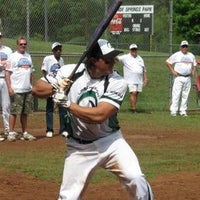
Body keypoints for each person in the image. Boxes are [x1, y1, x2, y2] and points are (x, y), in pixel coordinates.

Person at [32, 39, 153, 200]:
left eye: (113, 58)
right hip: (78, 147)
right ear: (94, 60)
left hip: (110, 143)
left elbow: (99, 115)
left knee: (135, 178)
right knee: (68, 197)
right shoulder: (69, 71)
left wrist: (67, 103)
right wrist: (57, 85)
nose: (113, 62)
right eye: (107, 59)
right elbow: (36, 89)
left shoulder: (117, 81)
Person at [5, 36, 36, 141]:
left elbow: (31, 73)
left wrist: (32, 86)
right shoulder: (12, 57)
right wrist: (9, 87)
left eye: (24, 44)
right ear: (17, 45)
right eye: (21, 44)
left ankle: (25, 132)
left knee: (25, 112)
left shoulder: (28, 56)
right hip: (16, 89)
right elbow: (7, 73)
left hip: (27, 89)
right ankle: (11, 133)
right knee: (14, 112)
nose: (23, 46)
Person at [41, 42, 68, 138]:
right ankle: (49, 129)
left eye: (60, 49)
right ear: (53, 51)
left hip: (59, 87)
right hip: (50, 86)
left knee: (62, 108)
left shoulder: (61, 60)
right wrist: (49, 83)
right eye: (56, 49)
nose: (58, 51)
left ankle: (63, 129)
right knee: (49, 108)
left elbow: (63, 73)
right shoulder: (48, 59)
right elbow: (44, 72)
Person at [166, 40, 197, 116]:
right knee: (176, 94)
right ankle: (173, 111)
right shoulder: (177, 55)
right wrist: (173, 71)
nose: (185, 48)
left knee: (185, 95)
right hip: (178, 77)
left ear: (188, 47)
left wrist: (193, 71)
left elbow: (195, 64)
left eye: (186, 46)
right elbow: (168, 62)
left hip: (188, 77)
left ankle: (183, 111)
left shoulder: (191, 55)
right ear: (180, 47)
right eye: (183, 46)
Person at [117, 44, 148, 113]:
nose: (134, 51)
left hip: (139, 80)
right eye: (132, 49)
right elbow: (117, 58)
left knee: (136, 93)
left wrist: (145, 78)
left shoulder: (140, 58)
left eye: (135, 49)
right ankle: (133, 109)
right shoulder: (125, 57)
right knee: (133, 93)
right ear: (130, 50)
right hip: (130, 80)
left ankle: (133, 107)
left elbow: (144, 69)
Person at [0, 32, 13, 142]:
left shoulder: (8, 50)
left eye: (0, 37)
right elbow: (4, 64)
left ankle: (7, 130)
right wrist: (2, 64)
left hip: (5, 78)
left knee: (6, 106)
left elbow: (9, 64)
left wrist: (3, 65)